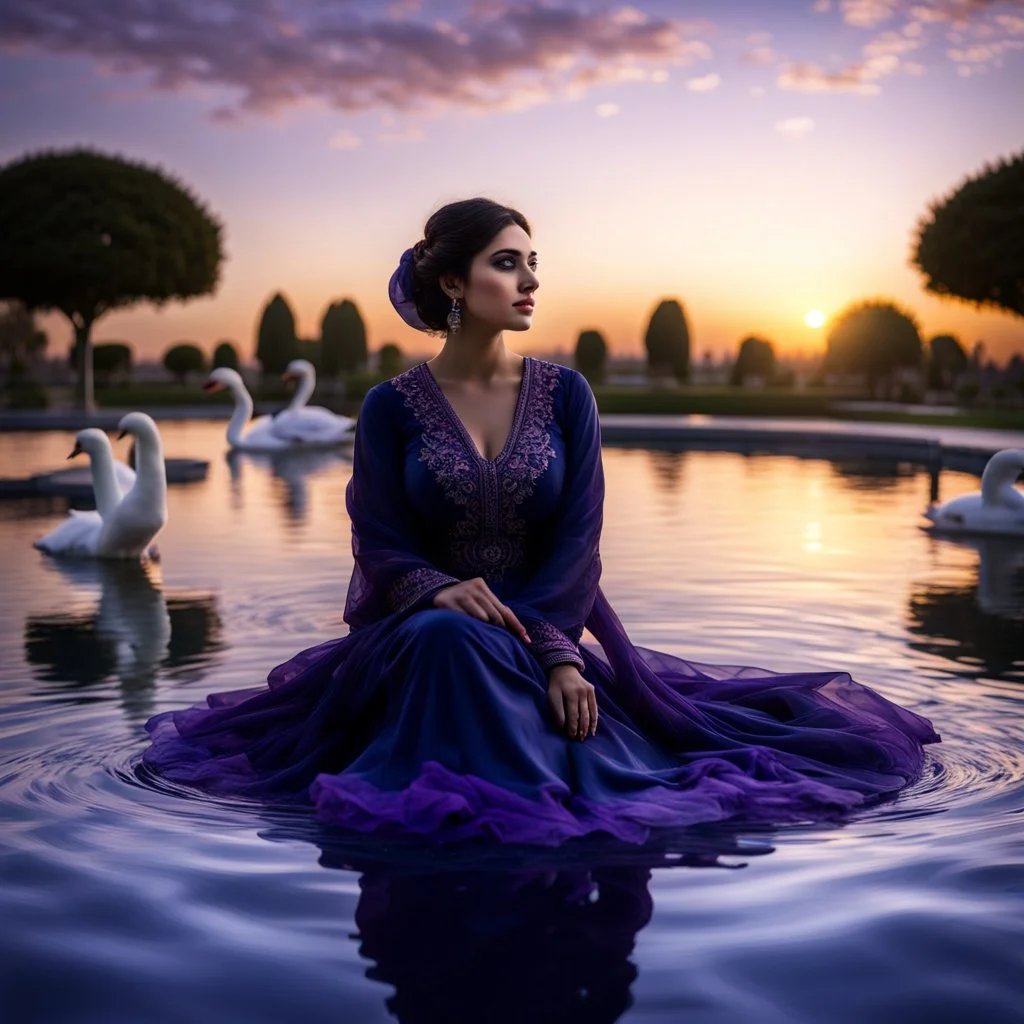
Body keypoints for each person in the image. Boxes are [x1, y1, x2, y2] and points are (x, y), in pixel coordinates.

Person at [143, 197, 941, 845]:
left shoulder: (567, 396)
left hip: (543, 630)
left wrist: (562, 656)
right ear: (453, 284)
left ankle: (506, 790)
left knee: (505, 664)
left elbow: (578, 542)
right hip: (418, 629)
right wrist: (433, 590)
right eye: (506, 262)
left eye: (533, 264)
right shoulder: (389, 407)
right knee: (443, 638)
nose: (529, 281)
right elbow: (377, 536)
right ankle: (488, 803)